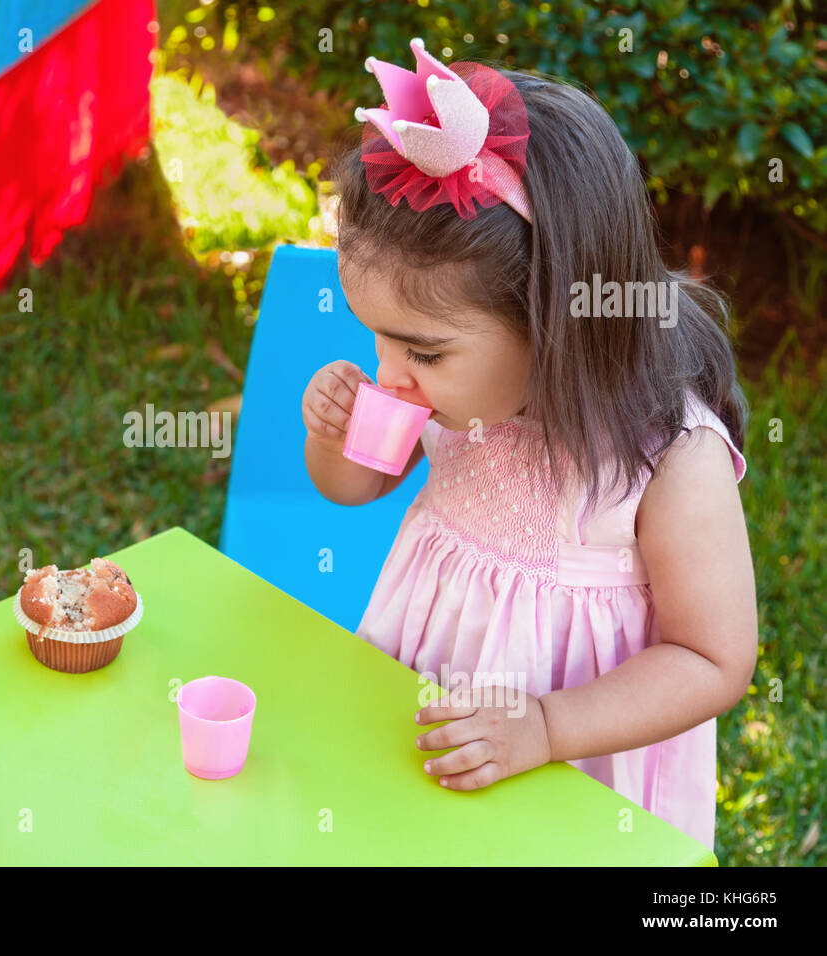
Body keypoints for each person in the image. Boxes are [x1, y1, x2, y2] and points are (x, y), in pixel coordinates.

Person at [301, 40, 757, 850]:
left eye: (423, 351)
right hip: (433, 722)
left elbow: (713, 658)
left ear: (555, 322)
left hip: (579, 766)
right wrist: (333, 436)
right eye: (377, 340)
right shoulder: (447, 400)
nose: (390, 375)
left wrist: (545, 727)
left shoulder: (670, 457)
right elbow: (352, 488)